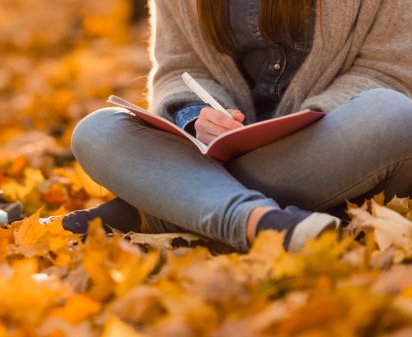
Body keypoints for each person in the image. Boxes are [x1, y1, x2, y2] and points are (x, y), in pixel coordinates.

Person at [48, 0, 412, 252]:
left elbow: (387, 71)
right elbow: (180, 68)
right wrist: (197, 115)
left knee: (395, 115)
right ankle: (262, 222)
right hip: (217, 151)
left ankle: (154, 210)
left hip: (331, 142)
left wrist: (301, 122)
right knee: (99, 131)